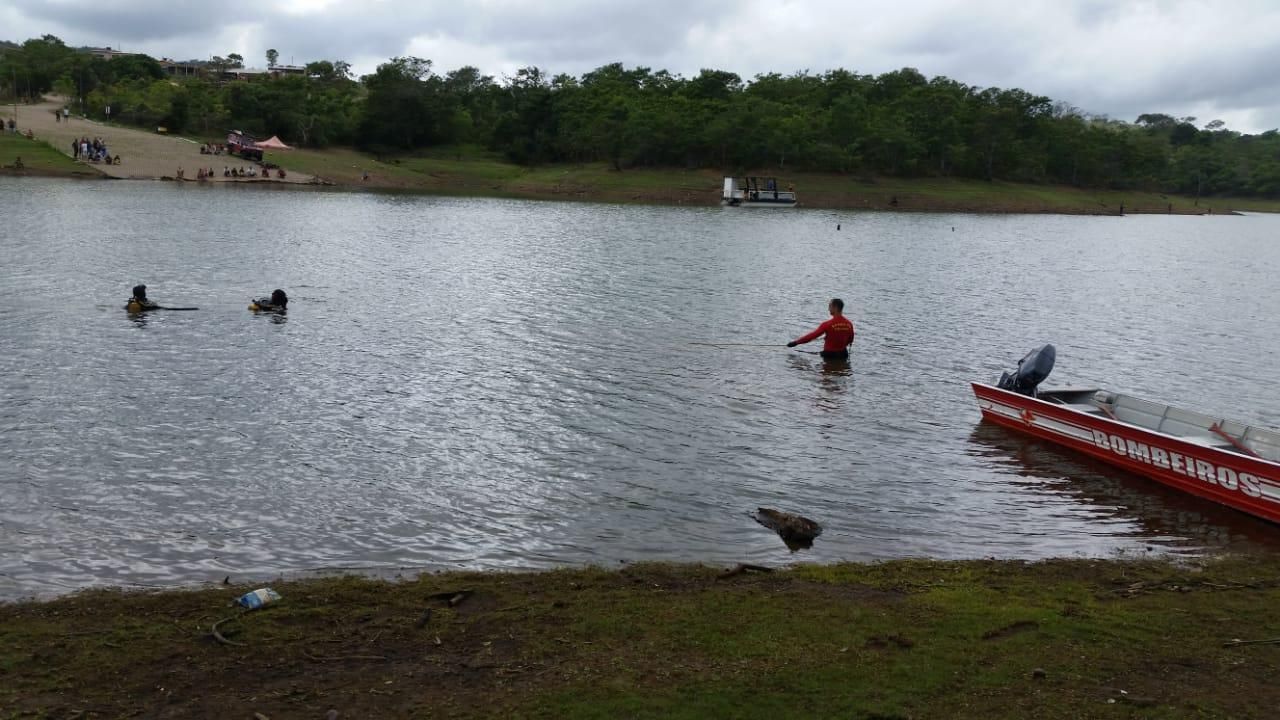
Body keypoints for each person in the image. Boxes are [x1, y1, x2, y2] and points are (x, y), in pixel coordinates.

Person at [787, 298, 855, 361]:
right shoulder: (849, 324)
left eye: (830, 306)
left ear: (835, 308)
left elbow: (812, 336)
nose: (828, 309)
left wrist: (795, 342)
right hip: (843, 354)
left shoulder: (827, 324)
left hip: (829, 355)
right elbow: (850, 340)